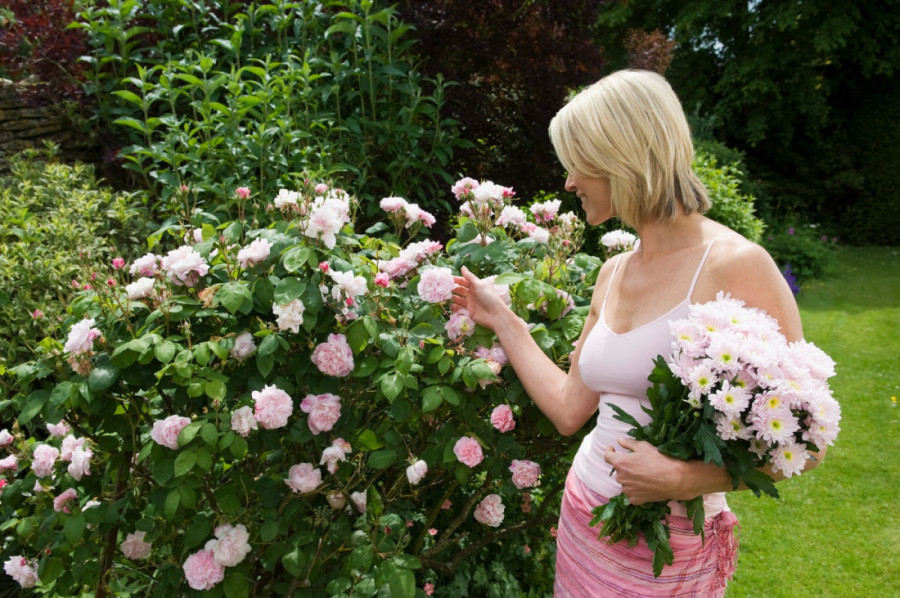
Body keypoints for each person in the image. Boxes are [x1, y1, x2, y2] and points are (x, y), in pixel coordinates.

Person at [451, 70, 824, 597]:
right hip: (584, 517)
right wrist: (503, 319)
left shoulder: (736, 265)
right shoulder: (614, 272)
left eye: (576, 165)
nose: (568, 183)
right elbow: (567, 409)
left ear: (619, 156)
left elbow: (806, 444)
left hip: (669, 554)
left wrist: (684, 480)